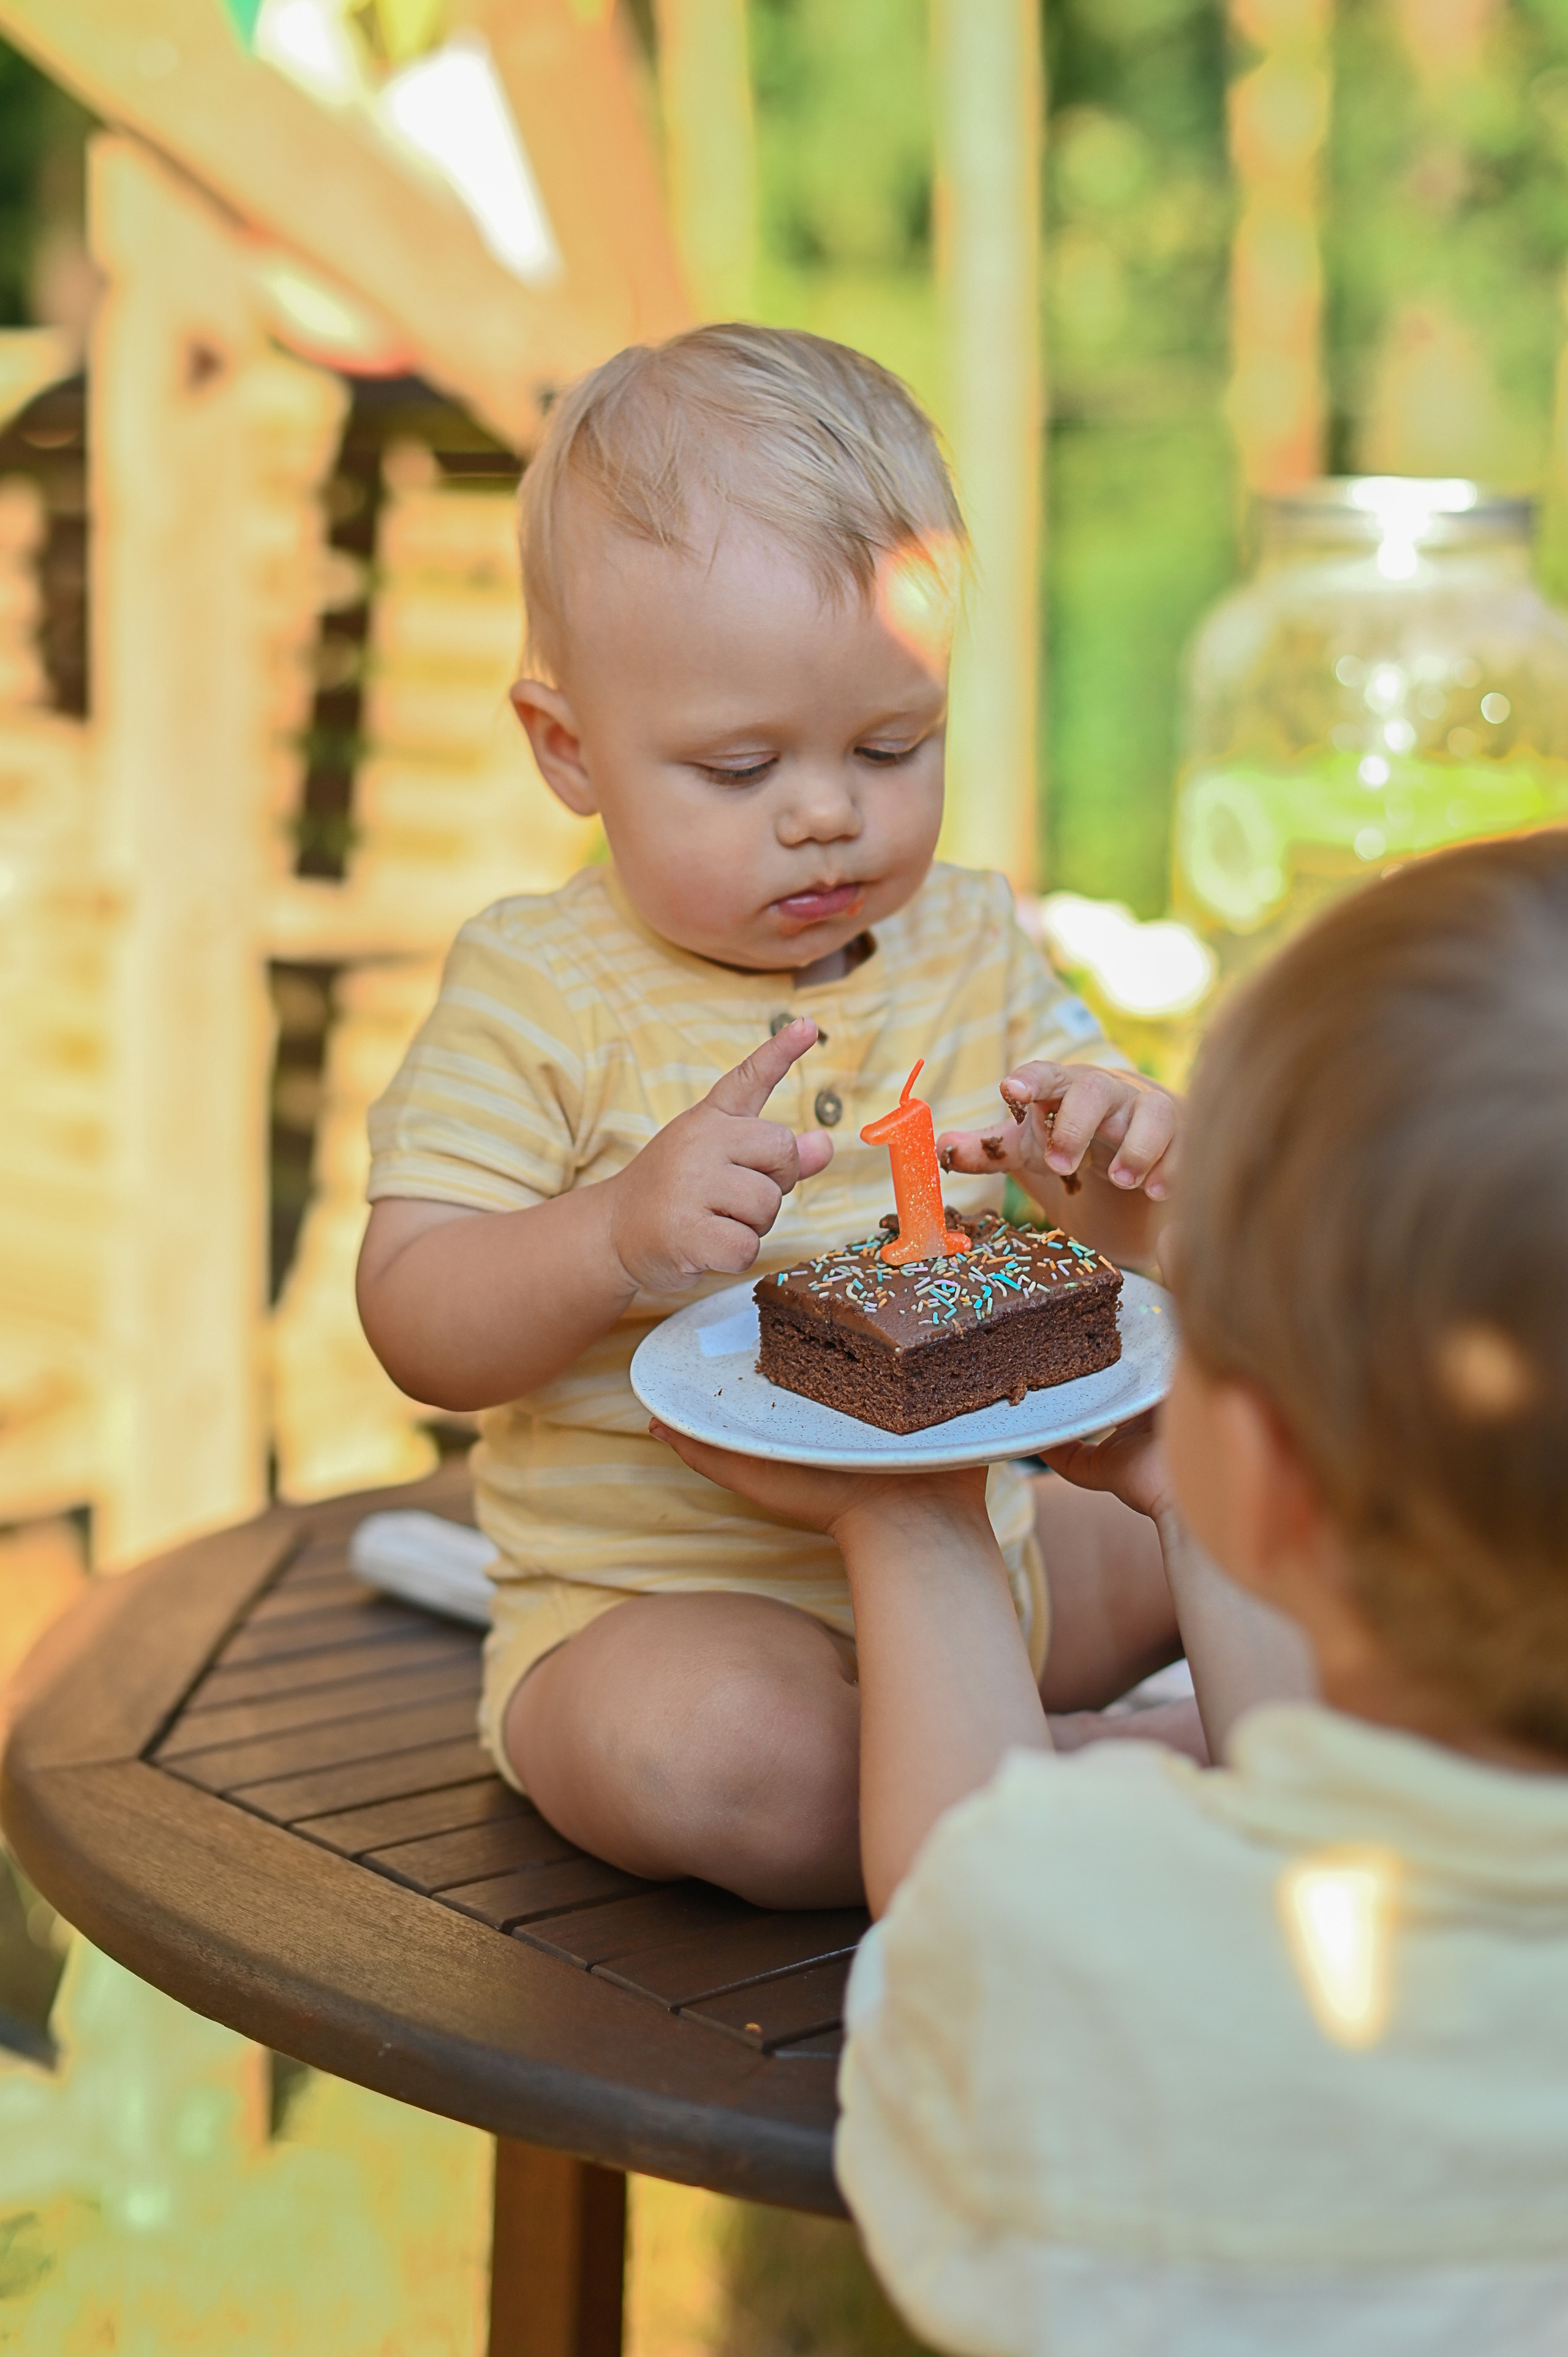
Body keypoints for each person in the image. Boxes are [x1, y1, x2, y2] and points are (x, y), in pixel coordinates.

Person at [655, 831, 1568, 2352]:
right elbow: (1320, 1791)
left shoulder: (1089, 1945)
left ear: (1261, 1466)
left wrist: (909, 1518)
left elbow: (964, 1899)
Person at [355, 323, 1182, 1908]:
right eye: (740, 767)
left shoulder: (969, 939)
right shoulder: (539, 990)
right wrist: (607, 1237)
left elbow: (1112, 1204)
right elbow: (414, 1315)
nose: (827, 810)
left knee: (1248, 1494)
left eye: (893, 746)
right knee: (723, 1756)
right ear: (568, 751)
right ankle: (1090, 1770)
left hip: (987, 1555)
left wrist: (1113, 1140)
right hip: (659, 1606)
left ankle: (1094, 1721)